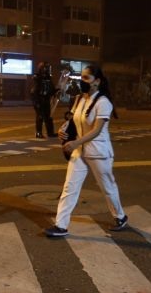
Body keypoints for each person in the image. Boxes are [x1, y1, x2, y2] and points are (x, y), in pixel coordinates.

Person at [45, 65, 127, 238]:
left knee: (107, 187)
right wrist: (64, 129)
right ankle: (61, 225)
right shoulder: (80, 99)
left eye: (86, 78)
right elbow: (74, 122)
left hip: (98, 152)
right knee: (69, 187)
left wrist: (75, 143)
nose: (82, 82)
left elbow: (97, 130)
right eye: (81, 77)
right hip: (80, 151)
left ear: (97, 82)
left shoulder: (104, 102)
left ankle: (120, 216)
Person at [32, 62, 57, 138]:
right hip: (39, 99)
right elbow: (35, 88)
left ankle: (50, 132)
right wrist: (36, 101)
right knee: (40, 117)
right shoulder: (38, 77)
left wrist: (56, 91)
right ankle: (38, 133)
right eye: (45, 68)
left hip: (46, 99)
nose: (47, 69)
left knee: (48, 117)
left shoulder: (48, 78)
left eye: (48, 68)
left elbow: (52, 89)